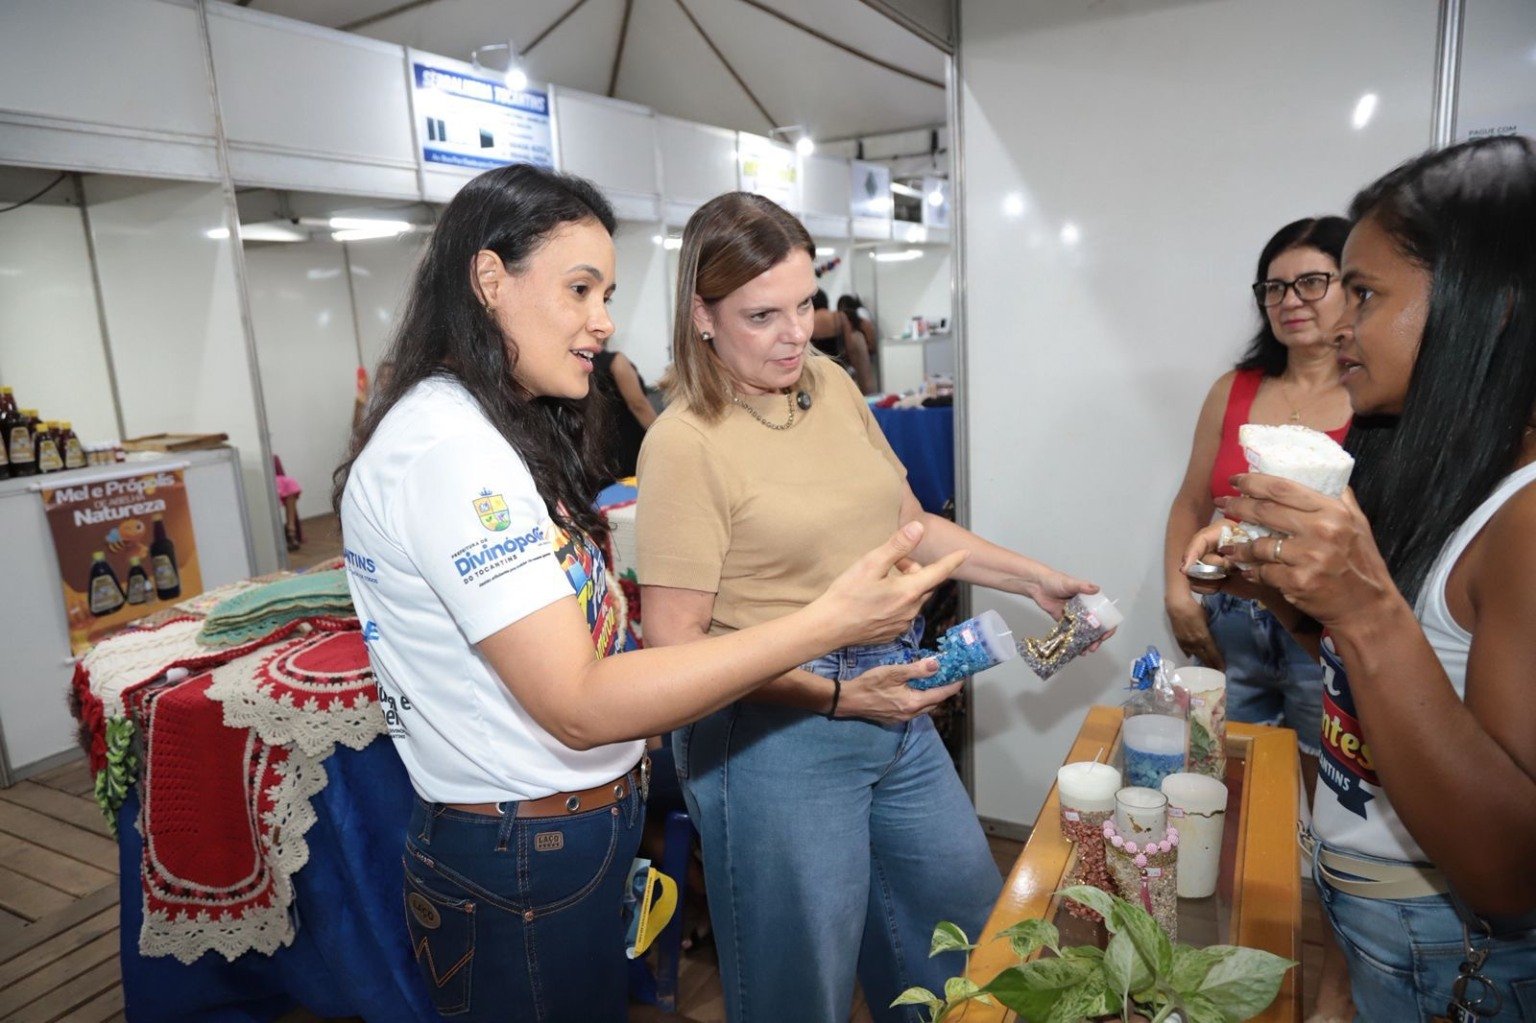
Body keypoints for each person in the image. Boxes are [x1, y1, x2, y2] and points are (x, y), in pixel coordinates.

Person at [333, 164, 964, 1023]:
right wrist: (826, 627)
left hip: (562, 839)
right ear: (490, 280)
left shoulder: (490, 430)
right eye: (580, 288)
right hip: (523, 851)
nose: (604, 320)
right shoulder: (450, 452)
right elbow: (582, 702)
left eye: (609, 290)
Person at [636, 191, 1106, 1023]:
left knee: (961, 934)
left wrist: (1028, 576)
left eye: (805, 303)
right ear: (700, 317)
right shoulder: (685, 442)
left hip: (895, 699)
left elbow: (909, 523)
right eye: (762, 314)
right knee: (798, 984)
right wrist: (836, 693)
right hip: (775, 723)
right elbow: (676, 646)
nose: (795, 332)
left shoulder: (828, 382)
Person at [1184, 136, 1536, 1021]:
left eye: (1364, 293)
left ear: (1486, 307)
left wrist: (1363, 606)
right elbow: (1408, 674)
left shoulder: (1528, 517)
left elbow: (1510, 868)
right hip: (1371, 900)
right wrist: (1290, 600)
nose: (1337, 322)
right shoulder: (1453, 465)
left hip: (1449, 942)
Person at [1163, 217, 1352, 787]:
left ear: (1355, 287)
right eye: (1274, 287)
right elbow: (1192, 499)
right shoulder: (1235, 387)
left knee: (1324, 783)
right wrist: (1180, 594)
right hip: (1231, 617)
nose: (1290, 300)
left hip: (1320, 621)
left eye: (1313, 282)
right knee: (1219, 774)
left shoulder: (1377, 396)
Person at [589, 339, 654, 479]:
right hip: (630, 444)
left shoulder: (580, 367)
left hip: (600, 450)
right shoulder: (616, 361)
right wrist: (661, 434)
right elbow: (638, 405)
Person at [811, 288, 876, 393]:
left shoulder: (809, 321)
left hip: (819, 370)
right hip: (839, 366)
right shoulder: (839, 316)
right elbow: (849, 346)